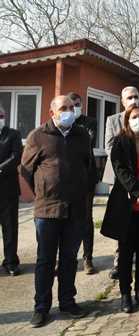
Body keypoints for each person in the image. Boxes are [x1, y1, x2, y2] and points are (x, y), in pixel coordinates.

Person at [20, 95, 92, 327]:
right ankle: (41, 307)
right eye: (63, 108)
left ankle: (67, 302)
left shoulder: (81, 135)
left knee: (70, 259)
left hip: (76, 210)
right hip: (47, 210)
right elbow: (26, 170)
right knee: (45, 261)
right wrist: (43, 191)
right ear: (52, 113)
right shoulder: (38, 136)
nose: (69, 111)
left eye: (72, 107)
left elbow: (89, 167)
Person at [101, 105, 139, 313]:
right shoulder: (120, 141)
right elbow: (119, 169)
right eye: (134, 117)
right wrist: (137, 189)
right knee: (126, 252)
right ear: (127, 120)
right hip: (125, 204)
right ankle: (125, 294)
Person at [103, 86, 139, 280]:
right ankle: (119, 264)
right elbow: (110, 150)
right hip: (121, 183)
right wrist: (134, 186)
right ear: (122, 101)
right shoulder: (113, 121)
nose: (134, 100)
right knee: (123, 232)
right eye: (130, 98)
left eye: (136, 97)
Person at [67, 92, 99, 275]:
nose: (73, 109)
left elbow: (86, 143)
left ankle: (88, 258)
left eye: (76, 105)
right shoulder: (63, 125)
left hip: (87, 177)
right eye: (70, 105)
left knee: (86, 219)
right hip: (66, 180)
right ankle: (66, 258)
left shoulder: (89, 123)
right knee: (66, 220)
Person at [0, 108, 22, 276]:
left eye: (0, 116)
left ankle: (11, 262)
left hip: (8, 190)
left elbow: (16, 156)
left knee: (10, 227)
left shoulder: (13, 134)